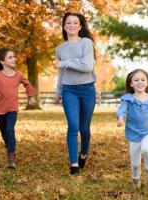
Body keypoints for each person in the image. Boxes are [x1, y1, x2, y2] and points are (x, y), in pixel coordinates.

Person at [54, 12, 96, 175]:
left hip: (87, 90)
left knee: (84, 128)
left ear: (80, 26)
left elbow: (88, 67)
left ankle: (83, 154)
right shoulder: (59, 49)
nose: (71, 25)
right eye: (68, 23)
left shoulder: (86, 43)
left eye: (75, 23)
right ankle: (73, 164)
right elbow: (61, 73)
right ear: (64, 26)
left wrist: (65, 63)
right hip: (69, 90)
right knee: (73, 125)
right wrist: (58, 91)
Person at [0, 48, 36, 169]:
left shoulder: (18, 75)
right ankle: (11, 148)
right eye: (10, 57)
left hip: (12, 109)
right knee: (4, 134)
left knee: (9, 130)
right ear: (2, 61)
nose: (14, 59)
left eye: (14, 56)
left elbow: (27, 83)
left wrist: (31, 96)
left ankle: (11, 160)